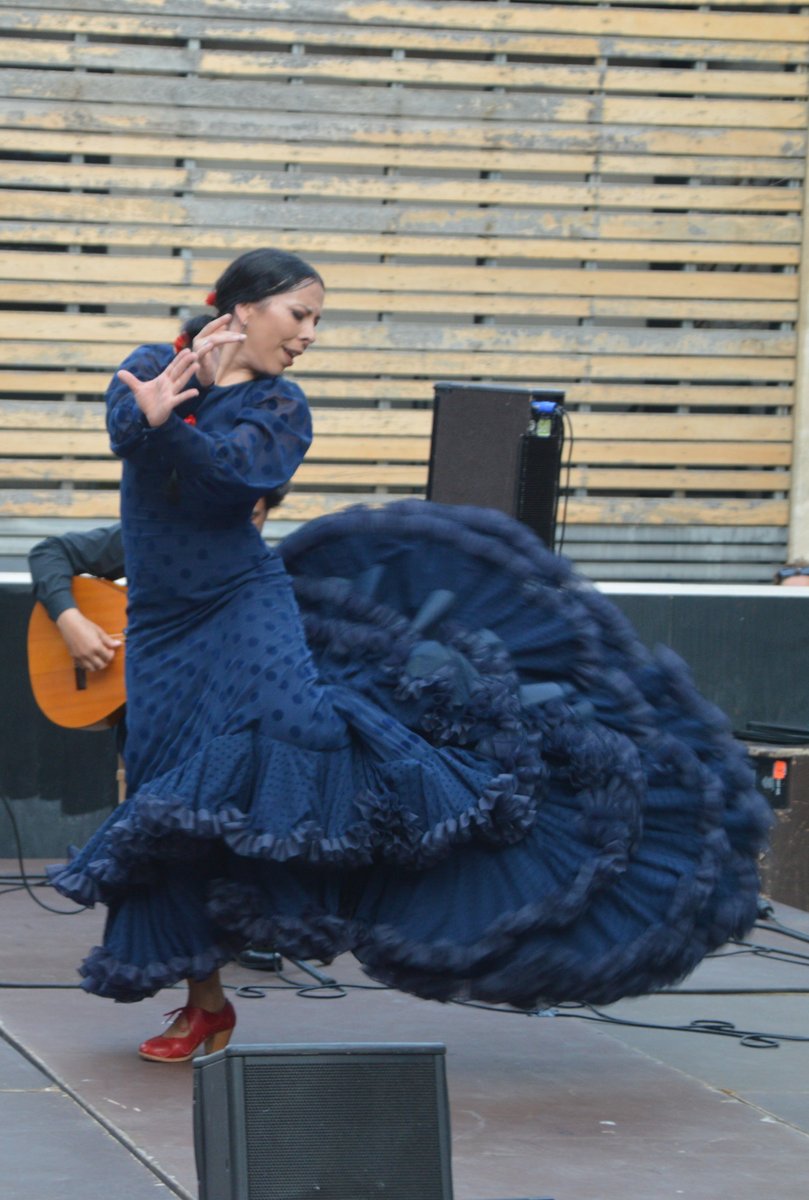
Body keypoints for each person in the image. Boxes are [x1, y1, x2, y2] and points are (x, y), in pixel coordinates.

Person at [50, 247, 771, 1065]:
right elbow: (124, 429)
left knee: (301, 749)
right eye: (299, 315)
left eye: (317, 320)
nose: (309, 334)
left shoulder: (280, 406)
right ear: (244, 308)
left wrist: (171, 424)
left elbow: (229, 482)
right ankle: (205, 1005)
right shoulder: (157, 363)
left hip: (242, 610)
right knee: (166, 807)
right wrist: (155, 412)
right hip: (159, 631)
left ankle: (403, 893)